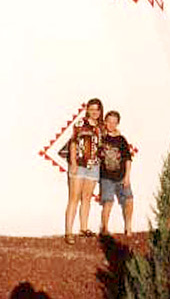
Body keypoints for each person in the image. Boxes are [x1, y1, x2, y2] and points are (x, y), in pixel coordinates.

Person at [65, 98, 104, 245]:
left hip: (94, 166)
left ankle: (83, 228)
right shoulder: (80, 124)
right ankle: (69, 232)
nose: (95, 112)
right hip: (79, 164)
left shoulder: (101, 127)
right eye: (92, 109)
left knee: (87, 198)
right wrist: (73, 163)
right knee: (74, 198)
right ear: (87, 109)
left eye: (97, 109)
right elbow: (73, 143)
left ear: (100, 111)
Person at [99, 110, 133, 236]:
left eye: (114, 122)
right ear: (105, 122)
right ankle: (105, 228)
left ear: (117, 123)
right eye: (109, 121)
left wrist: (127, 177)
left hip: (121, 176)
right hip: (106, 177)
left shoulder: (122, 139)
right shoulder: (100, 137)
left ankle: (128, 227)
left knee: (129, 199)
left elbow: (128, 159)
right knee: (108, 201)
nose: (111, 125)